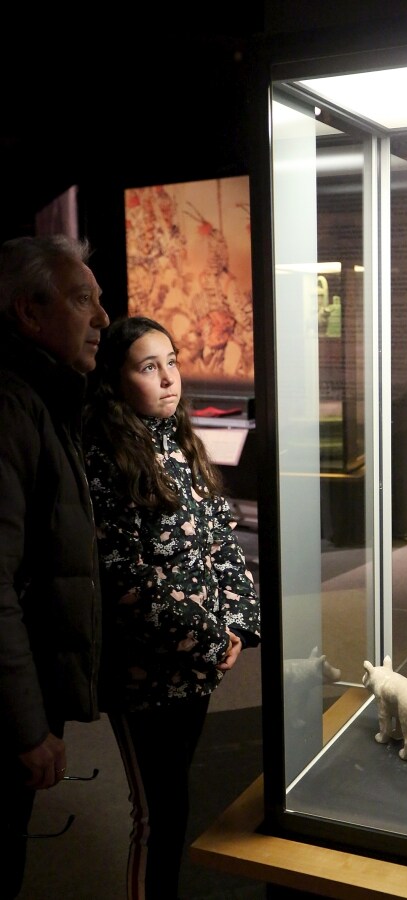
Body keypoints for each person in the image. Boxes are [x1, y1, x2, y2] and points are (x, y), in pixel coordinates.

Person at [83, 315, 261, 900]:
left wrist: (235, 622)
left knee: (177, 800)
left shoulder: (182, 445)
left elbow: (221, 540)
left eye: (172, 361)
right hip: (145, 674)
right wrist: (210, 641)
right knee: (154, 814)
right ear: (116, 378)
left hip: (197, 667)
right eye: (148, 366)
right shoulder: (104, 457)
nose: (168, 378)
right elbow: (125, 580)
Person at [0, 234, 109, 899]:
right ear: (30, 313)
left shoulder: (41, 400)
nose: (101, 318)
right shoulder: (12, 407)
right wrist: (25, 724)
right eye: (81, 301)